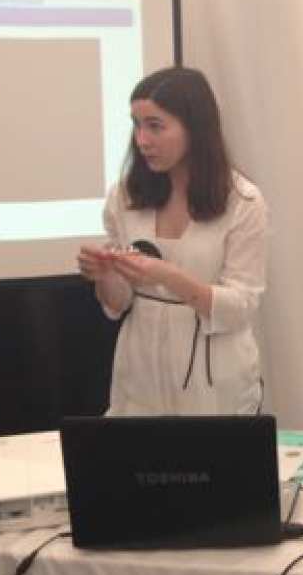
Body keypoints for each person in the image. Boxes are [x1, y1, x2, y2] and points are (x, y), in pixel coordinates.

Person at [77, 67, 267, 415]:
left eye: (155, 126)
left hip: (215, 373)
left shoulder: (242, 201)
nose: (142, 140)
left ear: (195, 128)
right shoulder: (124, 196)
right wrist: (104, 274)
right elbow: (117, 304)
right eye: (136, 125)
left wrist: (164, 274)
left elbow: (241, 306)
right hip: (142, 367)